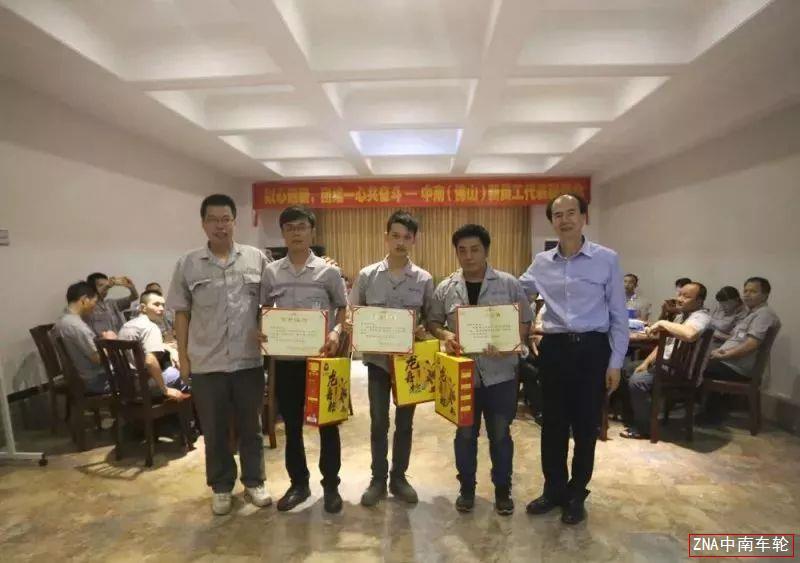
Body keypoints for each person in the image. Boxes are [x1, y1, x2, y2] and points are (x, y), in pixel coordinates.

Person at [519, 193, 628, 525]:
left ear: (584, 217)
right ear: (551, 221)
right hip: (554, 350)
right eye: (557, 215)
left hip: (592, 350)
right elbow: (516, 291)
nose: (564, 220)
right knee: (551, 425)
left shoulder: (606, 259)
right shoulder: (541, 263)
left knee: (584, 425)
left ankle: (577, 493)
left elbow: (618, 315)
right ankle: (553, 490)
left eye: (571, 213)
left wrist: (615, 362)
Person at [167, 193, 271, 516]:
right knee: (214, 430)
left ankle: (254, 481)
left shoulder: (256, 259)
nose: (220, 225)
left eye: (225, 219)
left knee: (251, 427)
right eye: (213, 219)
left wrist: (267, 330)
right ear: (203, 224)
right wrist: (184, 358)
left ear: (234, 222)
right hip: (207, 362)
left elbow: (269, 306)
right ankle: (222, 486)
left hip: (247, 359)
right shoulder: (188, 264)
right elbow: (181, 314)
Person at [428, 224, 532, 516]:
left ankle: (502, 490)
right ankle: (467, 489)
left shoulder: (509, 284)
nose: (468, 256)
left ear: (486, 250)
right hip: (462, 375)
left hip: (501, 374)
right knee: (464, 435)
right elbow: (433, 321)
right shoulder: (445, 288)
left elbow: (525, 321)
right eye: (462, 250)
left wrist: (511, 343)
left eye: (475, 249)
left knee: (500, 434)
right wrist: (445, 335)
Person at [260, 206, 348, 514]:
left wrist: (335, 332)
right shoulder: (271, 272)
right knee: (292, 426)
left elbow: (342, 307)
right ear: (283, 234)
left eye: (301, 227)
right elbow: (263, 309)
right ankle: (299, 484)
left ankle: (331, 486)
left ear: (312, 231)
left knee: (327, 425)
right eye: (290, 228)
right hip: (286, 361)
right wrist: (262, 329)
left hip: (321, 361)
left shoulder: (329, 272)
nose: (296, 233)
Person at [349, 211, 433, 507]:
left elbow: (431, 319)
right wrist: (356, 326)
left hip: (408, 364)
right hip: (377, 363)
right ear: (386, 237)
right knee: (378, 422)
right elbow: (353, 314)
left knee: (405, 423)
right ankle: (377, 479)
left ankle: (399, 478)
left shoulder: (423, 279)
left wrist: (423, 330)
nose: (400, 242)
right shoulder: (367, 275)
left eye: (406, 237)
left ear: (414, 240)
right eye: (395, 236)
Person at [621, 282, 711, 439]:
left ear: (699, 301)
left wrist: (663, 322)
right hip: (666, 365)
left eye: (686, 296)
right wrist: (646, 363)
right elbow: (664, 345)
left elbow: (690, 334)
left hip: (681, 371)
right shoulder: (680, 316)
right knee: (626, 369)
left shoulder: (701, 317)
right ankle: (633, 417)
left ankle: (644, 429)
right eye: (679, 294)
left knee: (638, 381)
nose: (680, 299)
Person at [702, 277, 781, 421]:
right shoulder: (752, 314)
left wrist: (723, 355)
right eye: (745, 291)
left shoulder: (764, 315)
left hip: (737, 368)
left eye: (753, 291)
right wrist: (721, 352)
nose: (747, 295)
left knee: (693, 367)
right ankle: (711, 411)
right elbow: (737, 339)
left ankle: (706, 413)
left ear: (765, 295)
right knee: (695, 362)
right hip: (730, 363)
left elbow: (751, 345)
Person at [118, 291, 188, 399]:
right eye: (156, 304)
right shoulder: (150, 327)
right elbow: (150, 361)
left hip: (124, 385)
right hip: (143, 386)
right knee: (185, 374)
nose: (161, 309)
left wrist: (170, 349)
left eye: (163, 305)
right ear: (143, 307)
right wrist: (165, 389)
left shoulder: (127, 325)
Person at [53, 281, 116, 394]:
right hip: (94, 380)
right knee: (136, 376)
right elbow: (98, 359)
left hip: (79, 377)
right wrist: (110, 341)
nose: (95, 306)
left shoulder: (62, 321)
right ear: (84, 300)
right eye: (94, 302)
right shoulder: (77, 326)